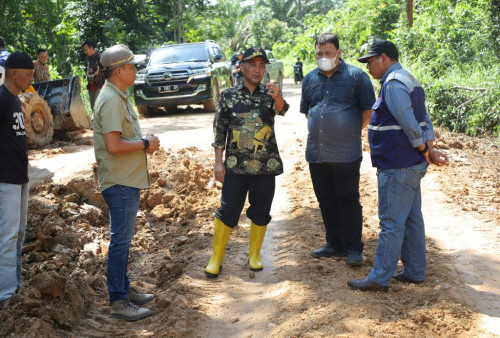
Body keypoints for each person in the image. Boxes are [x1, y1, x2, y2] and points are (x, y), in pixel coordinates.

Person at [347, 40, 449, 292]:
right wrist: (429, 148)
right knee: (412, 219)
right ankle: (414, 271)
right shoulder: (407, 78)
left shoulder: (393, 84)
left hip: (398, 163)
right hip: (410, 163)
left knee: (391, 222)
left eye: (370, 61)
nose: (369, 67)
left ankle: (380, 276)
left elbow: (410, 123)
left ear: (384, 58)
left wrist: (425, 148)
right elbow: (424, 117)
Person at [205, 46, 289, 278]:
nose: (257, 69)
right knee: (228, 210)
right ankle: (216, 257)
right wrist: (218, 163)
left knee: (261, 210)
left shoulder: (269, 94)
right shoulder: (228, 96)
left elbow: (283, 111)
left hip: (265, 165)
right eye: (252, 65)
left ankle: (254, 255)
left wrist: (278, 96)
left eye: (262, 65)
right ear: (242, 67)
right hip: (235, 165)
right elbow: (219, 131)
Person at [93, 44, 160, 320]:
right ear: (119, 70)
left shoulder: (118, 96)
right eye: (132, 66)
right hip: (119, 182)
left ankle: (123, 288)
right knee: (120, 241)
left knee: (123, 239)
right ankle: (118, 300)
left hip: (125, 181)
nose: (135, 70)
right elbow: (113, 145)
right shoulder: (110, 99)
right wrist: (145, 144)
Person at [300, 32, 375, 266]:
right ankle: (334, 244)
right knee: (326, 200)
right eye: (319, 54)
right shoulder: (309, 79)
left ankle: (353, 247)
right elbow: (307, 111)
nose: (324, 57)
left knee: (348, 199)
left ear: (339, 53)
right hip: (317, 153)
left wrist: (348, 131)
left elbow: (367, 112)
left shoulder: (356, 77)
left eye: (328, 53)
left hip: (345, 153)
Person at [0, 52, 34, 310]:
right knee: (8, 235)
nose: (32, 77)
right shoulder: (1, 99)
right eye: (29, 73)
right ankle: (5, 294)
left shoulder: (15, 100)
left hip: (20, 177)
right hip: (5, 179)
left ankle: (15, 285)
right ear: (15, 73)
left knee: (19, 233)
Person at [82, 40, 105, 113]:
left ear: (91, 48)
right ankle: (96, 123)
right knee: (93, 107)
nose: (85, 52)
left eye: (86, 50)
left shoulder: (100, 57)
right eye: (84, 50)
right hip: (91, 86)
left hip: (100, 85)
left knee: (97, 105)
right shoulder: (87, 58)